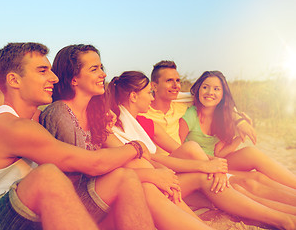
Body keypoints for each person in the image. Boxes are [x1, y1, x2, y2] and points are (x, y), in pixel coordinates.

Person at [0, 43, 154, 230]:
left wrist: (103, 127)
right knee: (47, 176)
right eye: (42, 71)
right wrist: (136, 147)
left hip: (25, 215)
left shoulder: (37, 120)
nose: (55, 78)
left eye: (50, 70)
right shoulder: (9, 126)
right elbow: (93, 164)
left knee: (124, 178)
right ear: (14, 80)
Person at [39, 44, 214, 230]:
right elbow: (88, 170)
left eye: (101, 67)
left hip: (97, 195)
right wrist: (150, 173)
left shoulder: (94, 114)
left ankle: (201, 226)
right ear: (74, 79)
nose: (103, 74)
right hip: (71, 205)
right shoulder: (60, 114)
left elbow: (129, 154)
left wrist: (160, 173)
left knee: (142, 174)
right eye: (94, 69)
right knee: (141, 178)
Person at [105, 70, 296, 229]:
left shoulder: (148, 121)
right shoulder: (114, 123)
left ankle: (283, 218)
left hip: (176, 167)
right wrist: (205, 165)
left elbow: (205, 102)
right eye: (149, 92)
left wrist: (212, 160)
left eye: (178, 81)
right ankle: (282, 219)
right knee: (246, 183)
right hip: (153, 179)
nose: (152, 97)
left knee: (240, 175)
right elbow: (149, 159)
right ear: (134, 95)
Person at [179, 71, 296, 199]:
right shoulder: (190, 116)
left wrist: (240, 138)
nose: (210, 92)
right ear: (198, 89)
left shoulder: (222, 117)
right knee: (255, 179)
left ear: (223, 94)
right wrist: (208, 164)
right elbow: (179, 150)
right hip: (198, 167)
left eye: (216, 89)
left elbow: (219, 154)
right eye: (205, 87)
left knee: (252, 155)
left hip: (217, 162)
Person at [141, 60, 257, 156]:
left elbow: (217, 103)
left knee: (252, 158)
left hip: (189, 160)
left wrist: (239, 120)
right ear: (154, 86)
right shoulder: (142, 113)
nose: (176, 86)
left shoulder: (182, 105)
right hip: (168, 164)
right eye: (169, 81)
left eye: (177, 80)